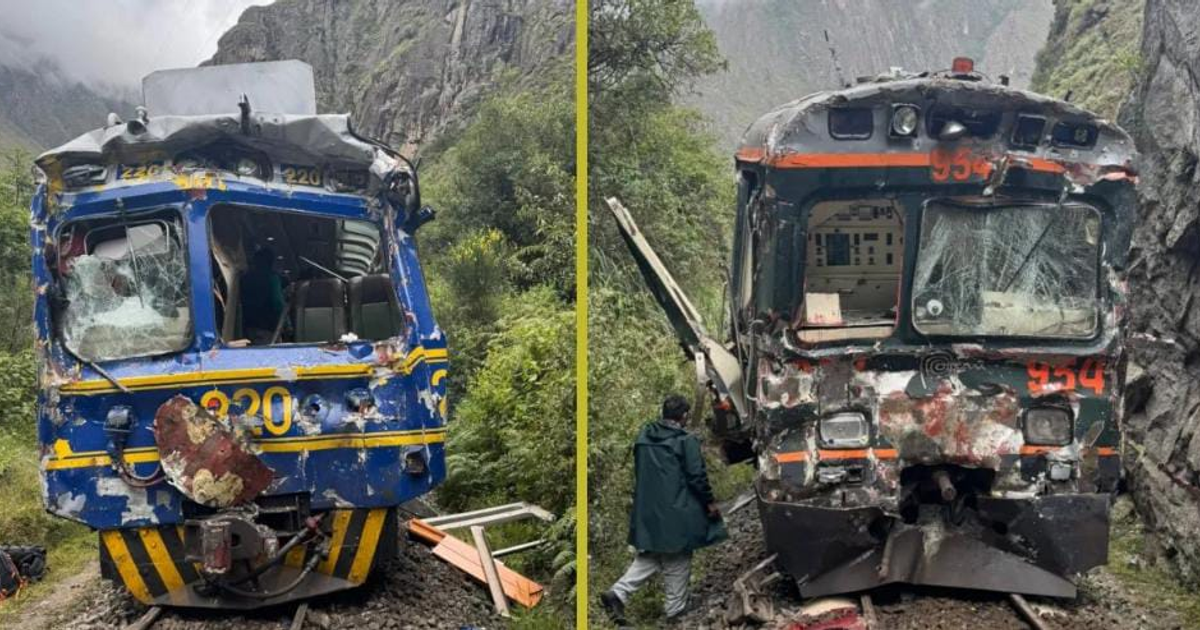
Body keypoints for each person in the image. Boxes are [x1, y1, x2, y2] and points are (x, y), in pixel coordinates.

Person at [600, 394, 728, 625]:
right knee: (678, 556)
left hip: (648, 511)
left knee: (652, 555)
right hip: (676, 511)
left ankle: (617, 593)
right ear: (684, 416)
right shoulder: (684, 441)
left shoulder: (643, 437)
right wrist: (709, 502)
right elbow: (696, 477)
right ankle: (675, 610)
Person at [239, 247, 286, 344]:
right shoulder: (272, 278)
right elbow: (278, 304)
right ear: (271, 262)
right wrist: (287, 324)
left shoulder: (244, 279)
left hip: (246, 328)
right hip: (267, 328)